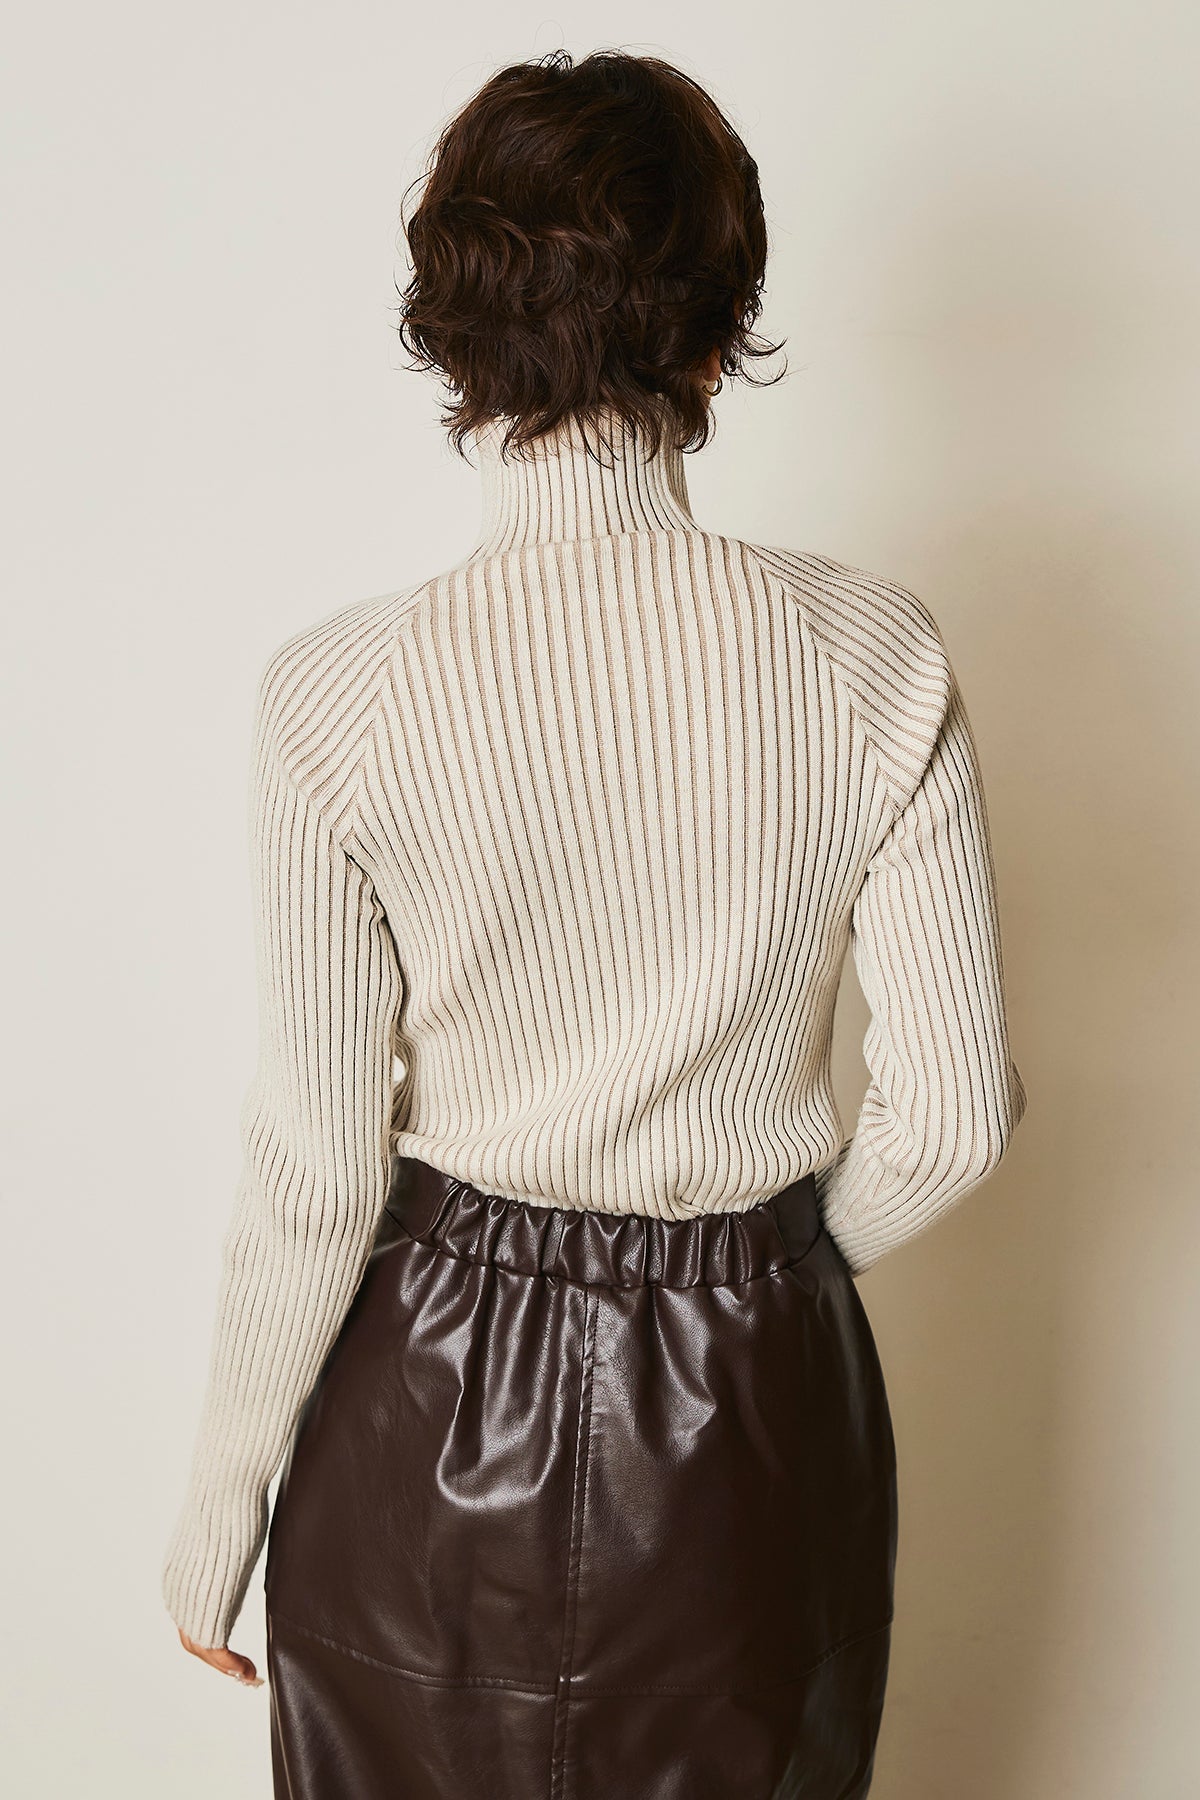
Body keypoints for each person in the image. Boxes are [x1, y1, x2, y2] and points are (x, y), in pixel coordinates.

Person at [161, 47, 1027, 1800]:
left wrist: (222, 1496)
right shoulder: (872, 657)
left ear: (454, 336)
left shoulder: (336, 695)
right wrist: (763, 1269)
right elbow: (951, 1119)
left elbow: (317, 1160)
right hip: (749, 1415)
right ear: (716, 333)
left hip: (420, 1404)